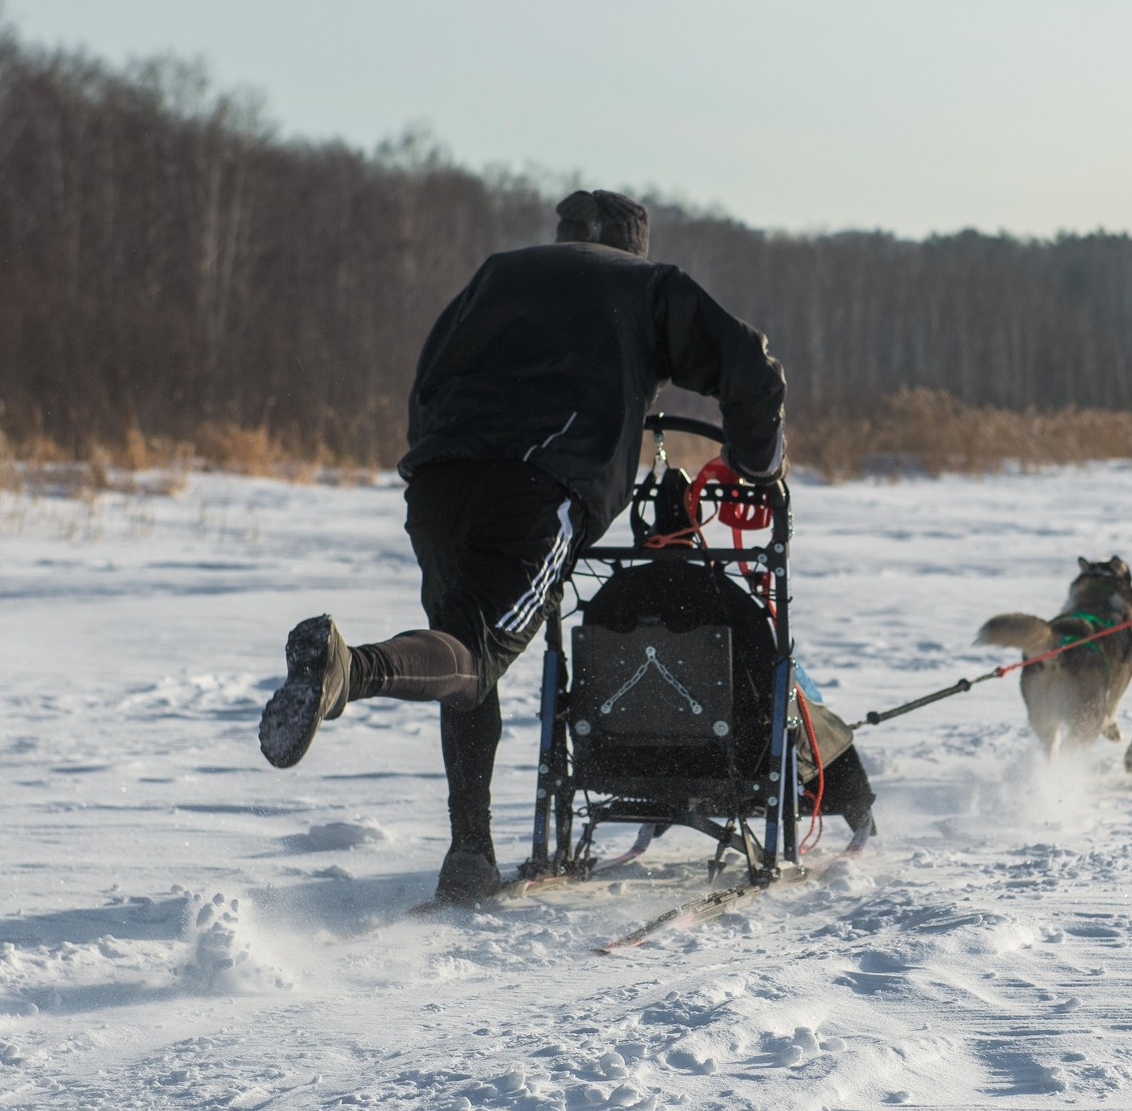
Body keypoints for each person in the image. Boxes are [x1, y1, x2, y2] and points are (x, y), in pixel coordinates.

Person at [258, 190, 788, 903]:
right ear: (635, 244)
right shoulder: (645, 285)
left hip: (440, 483)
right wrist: (759, 462)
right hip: (540, 488)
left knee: (459, 650)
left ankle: (470, 853)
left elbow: (426, 384)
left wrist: (443, 452)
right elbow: (750, 365)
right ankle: (348, 670)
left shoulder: (497, 276)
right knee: (472, 658)